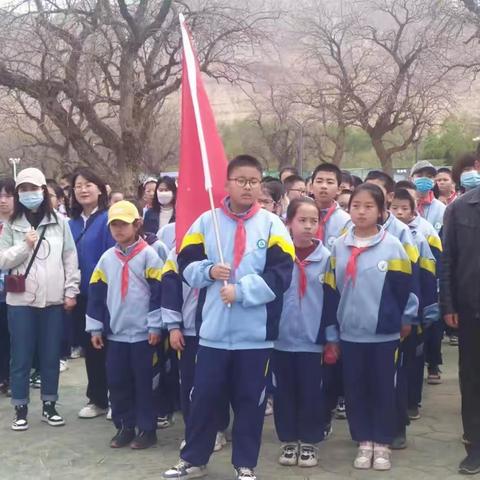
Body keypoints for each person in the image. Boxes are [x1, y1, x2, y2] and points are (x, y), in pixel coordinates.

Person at [163, 155, 294, 480]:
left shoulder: (272, 225)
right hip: (213, 333)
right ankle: (194, 459)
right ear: (227, 183)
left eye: (253, 181)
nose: (247, 186)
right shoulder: (207, 222)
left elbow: (282, 274)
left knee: (250, 401)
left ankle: (245, 464)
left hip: (255, 335)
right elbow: (184, 262)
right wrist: (207, 271)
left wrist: (243, 290)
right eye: (241, 180)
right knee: (204, 397)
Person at [330, 183, 415, 471]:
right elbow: (332, 290)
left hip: (383, 332)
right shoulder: (339, 245)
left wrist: (405, 318)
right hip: (350, 333)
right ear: (349, 209)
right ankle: (363, 440)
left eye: (369, 206)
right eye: (356, 205)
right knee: (355, 388)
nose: (361, 211)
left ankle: (382, 441)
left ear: (381, 211)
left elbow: (406, 287)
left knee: (383, 388)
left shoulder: (392, 245)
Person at [0, 167, 80, 431]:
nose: (28, 193)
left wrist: (71, 290)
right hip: (20, 302)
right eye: (23, 189)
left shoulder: (59, 222)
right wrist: (25, 245)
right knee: (20, 356)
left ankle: (49, 405)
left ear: (43, 190)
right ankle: (20, 408)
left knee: (49, 355)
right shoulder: (12, 224)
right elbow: (3, 260)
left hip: (52, 301)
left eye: (33, 188)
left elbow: (70, 258)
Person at [86, 201, 163, 449]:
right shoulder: (108, 259)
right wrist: (95, 327)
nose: (118, 230)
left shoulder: (149, 256)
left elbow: (158, 293)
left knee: (145, 383)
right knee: (118, 382)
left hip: (143, 335)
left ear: (137, 224)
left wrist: (154, 326)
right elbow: (96, 293)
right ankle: (125, 426)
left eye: (123, 224)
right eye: (113, 225)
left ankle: (147, 429)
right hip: (117, 334)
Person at [273, 197, 339, 468]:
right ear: (288, 222)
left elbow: (332, 300)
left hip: (313, 341)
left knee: (312, 393)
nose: (308, 226)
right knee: (283, 392)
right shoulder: (279, 258)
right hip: (281, 340)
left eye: (314, 221)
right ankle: (288, 440)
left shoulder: (326, 260)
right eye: (302, 220)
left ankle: (310, 442)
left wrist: (331, 338)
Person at [162, 248, 229, 452]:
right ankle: (193, 430)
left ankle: (217, 429)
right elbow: (170, 288)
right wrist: (173, 327)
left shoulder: (220, 243)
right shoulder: (178, 252)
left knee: (216, 383)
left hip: (217, 328)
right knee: (189, 383)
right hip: (189, 330)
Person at [390, 188, 439, 426]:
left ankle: (412, 401)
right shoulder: (381, 235)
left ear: (414, 210)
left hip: (414, 311)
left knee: (413, 359)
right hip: (388, 314)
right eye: (395, 208)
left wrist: (427, 308)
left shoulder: (421, 235)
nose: (399, 212)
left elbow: (429, 273)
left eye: (404, 208)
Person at [440, 182, 480, 475]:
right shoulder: (460, 207)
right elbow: (447, 259)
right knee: (472, 379)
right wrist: (449, 304)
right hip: (471, 309)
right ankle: (475, 445)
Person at [69, 168, 115, 419]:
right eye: (78, 186)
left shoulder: (108, 219)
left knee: (112, 348)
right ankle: (97, 399)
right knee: (91, 348)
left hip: (107, 295)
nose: (83, 190)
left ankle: (115, 397)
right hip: (81, 295)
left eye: (88, 184)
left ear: (100, 189)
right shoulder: (71, 223)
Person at [310, 163, 350, 251]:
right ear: (311, 187)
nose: (324, 186)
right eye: (319, 181)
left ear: (339, 189)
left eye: (330, 182)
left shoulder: (346, 221)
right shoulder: (300, 214)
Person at [0, 177, 15, 395]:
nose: (3, 200)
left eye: (7, 195)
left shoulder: (23, 224)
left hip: (15, 290)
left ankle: (12, 377)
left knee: (13, 336)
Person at [410, 161, 446, 233]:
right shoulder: (402, 206)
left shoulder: (441, 209)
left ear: (434, 181)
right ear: (411, 179)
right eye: (419, 176)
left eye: (429, 177)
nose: (424, 179)